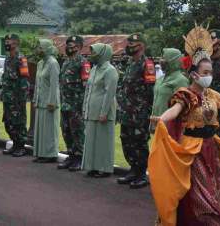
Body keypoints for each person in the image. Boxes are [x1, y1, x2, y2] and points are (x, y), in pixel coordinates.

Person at [149, 26, 220, 226]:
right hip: (193, 151)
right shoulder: (186, 94)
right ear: (194, 74)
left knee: (213, 190)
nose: (209, 76)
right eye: (206, 72)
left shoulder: (211, 94)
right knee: (200, 195)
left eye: (211, 72)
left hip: (211, 148)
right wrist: (162, 118)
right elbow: (176, 110)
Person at [116, 33, 155, 189]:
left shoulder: (147, 64)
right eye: (129, 44)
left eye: (134, 45)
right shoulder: (130, 63)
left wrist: (146, 111)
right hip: (127, 111)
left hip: (139, 112)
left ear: (142, 46)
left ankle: (141, 174)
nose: (130, 47)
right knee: (126, 141)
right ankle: (133, 169)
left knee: (140, 143)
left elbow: (151, 91)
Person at [82, 43, 119, 178]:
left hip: (104, 112)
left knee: (103, 141)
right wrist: (85, 108)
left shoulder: (110, 70)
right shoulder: (94, 69)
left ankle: (104, 168)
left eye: (94, 53)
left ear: (102, 54)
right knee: (92, 140)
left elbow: (109, 93)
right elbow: (88, 90)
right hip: (92, 111)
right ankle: (92, 166)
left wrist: (104, 112)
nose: (91, 56)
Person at [58, 35, 89, 171]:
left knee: (77, 131)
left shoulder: (83, 63)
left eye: (73, 46)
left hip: (76, 104)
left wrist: (82, 105)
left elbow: (86, 86)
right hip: (65, 103)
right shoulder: (65, 63)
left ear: (80, 47)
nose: (70, 48)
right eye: (68, 45)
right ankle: (71, 155)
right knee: (66, 131)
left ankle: (79, 157)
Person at [1, 34, 29, 157]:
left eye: (10, 41)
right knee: (8, 121)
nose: (7, 43)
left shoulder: (21, 59)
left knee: (19, 122)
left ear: (16, 43)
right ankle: (15, 143)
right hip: (8, 97)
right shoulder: (8, 58)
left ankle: (21, 146)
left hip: (17, 98)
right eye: (6, 41)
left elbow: (24, 80)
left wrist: (22, 99)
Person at [32, 39, 60, 163]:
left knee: (49, 130)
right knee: (41, 129)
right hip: (40, 100)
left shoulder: (53, 63)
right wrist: (34, 99)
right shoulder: (40, 63)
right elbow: (37, 83)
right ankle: (41, 153)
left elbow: (55, 84)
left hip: (50, 102)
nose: (38, 50)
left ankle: (50, 154)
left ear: (47, 48)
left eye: (41, 47)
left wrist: (52, 101)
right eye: (38, 47)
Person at [150, 48, 189, 135]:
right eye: (161, 58)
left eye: (165, 58)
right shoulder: (160, 79)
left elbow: (182, 106)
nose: (161, 61)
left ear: (174, 60)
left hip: (171, 127)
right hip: (157, 123)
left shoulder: (181, 80)